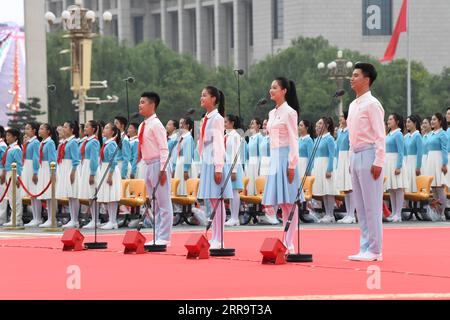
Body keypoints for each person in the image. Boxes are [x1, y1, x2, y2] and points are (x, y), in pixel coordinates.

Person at [347, 62, 385, 262]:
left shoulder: (372, 104)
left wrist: (379, 160)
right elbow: (351, 136)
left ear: (366, 79)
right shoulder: (353, 105)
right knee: (360, 206)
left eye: (355, 75)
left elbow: (380, 135)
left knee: (372, 205)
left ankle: (375, 249)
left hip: (370, 155)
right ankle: (364, 247)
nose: (351, 78)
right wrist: (349, 159)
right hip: (355, 154)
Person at [262, 77, 301, 254]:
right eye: (271, 87)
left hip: (286, 157)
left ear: (284, 91)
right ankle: (285, 239)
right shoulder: (272, 113)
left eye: (275, 87)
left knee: (290, 203)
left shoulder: (290, 112)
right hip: (275, 157)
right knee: (281, 202)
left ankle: (289, 242)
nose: (271, 90)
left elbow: (294, 140)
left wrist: (292, 164)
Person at [197, 86, 233, 249]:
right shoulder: (206, 118)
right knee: (212, 201)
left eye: (205, 95)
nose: (201, 98)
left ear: (213, 99)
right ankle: (215, 236)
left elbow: (219, 144)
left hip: (215, 162)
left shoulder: (217, 118)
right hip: (207, 161)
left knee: (217, 201)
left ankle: (220, 238)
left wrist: (218, 168)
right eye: (201, 95)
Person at [139, 92, 173, 246]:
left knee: (164, 202)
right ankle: (157, 234)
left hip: (159, 164)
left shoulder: (156, 124)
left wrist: (163, 169)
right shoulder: (143, 125)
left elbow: (164, 148)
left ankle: (164, 237)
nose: (140, 105)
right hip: (148, 164)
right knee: (155, 204)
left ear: (152, 105)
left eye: (143, 102)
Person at [311, 117, 337, 223]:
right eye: (318, 124)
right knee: (324, 191)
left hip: (326, 164)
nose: (318, 126)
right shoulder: (318, 139)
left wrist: (329, 169)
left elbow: (332, 154)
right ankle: (327, 213)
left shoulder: (329, 138)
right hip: (319, 165)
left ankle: (331, 214)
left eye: (321, 123)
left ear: (327, 125)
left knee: (329, 190)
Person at [384, 113, 408, 223]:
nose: (388, 121)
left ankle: (398, 213)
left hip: (395, 162)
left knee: (398, 188)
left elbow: (401, 152)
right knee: (391, 189)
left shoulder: (398, 134)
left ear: (397, 121)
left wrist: (398, 166)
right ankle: (393, 212)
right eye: (388, 119)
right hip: (388, 162)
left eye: (390, 119)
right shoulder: (388, 134)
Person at [97, 122, 122, 230]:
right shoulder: (106, 142)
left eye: (107, 128)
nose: (104, 129)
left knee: (112, 196)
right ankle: (111, 220)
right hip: (105, 169)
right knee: (108, 196)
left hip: (110, 170)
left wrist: (110, 175)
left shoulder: (111, 144)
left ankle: (113, 220)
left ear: (112, 132)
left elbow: (114, 161)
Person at [423, 113, 448, 221]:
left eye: (434, 120)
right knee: (433, 187)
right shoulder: (431, 134)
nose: (432, 121)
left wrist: (444, 164)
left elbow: (444, 150)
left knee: (440, 187)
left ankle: (442, 213)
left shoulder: (442, 134)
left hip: (438, 160)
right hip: (431, 160)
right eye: (431, 120)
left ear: (440, 121)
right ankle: (436, 211)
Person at [56, 121, 81, 229]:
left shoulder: (73, 142)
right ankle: (72, 218)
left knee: (73, 195)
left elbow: (76, 159)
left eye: (66, 127)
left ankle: (75, 220)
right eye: (63, 126)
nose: (64, 128)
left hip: (71, 167)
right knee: (70, 196)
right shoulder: (65, 142)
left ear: (71, 130)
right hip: (65, 167)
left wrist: (73, 171)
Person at [80, 120, 102, 229]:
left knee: (93, 194)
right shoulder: (87, 141)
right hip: (86, 167)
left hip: (90, 168)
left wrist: (92, 173)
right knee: (90, 195)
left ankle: (96, 219)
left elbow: (94, 158)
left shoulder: (94, 141)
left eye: (87, 126)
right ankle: (93, 219)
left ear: (93, 129)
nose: (85, 128)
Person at [224, 114, 244, 227]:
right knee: (230, 192)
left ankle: (235, 217)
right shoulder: (226, 135)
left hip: (234, 166)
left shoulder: (235, 136)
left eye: (226, 122)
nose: (224, 124)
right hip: (227, 165)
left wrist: (234, 170)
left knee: (234, 192)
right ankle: (232, 216)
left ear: (232, 123)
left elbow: (236, 154)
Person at [257, 119, 279, 225]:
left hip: (272, 164)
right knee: (266, 190)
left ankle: (273, 215)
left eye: (267, 124)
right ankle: (268, 214)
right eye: (264, 124)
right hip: (264, 165)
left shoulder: (274, 138)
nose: (265, 126)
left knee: (273, 190)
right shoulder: (264, 138)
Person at [36, 124, 58, 228]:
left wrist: (52, 173)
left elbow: (52, 159)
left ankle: (52, 218)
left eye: (42, 129)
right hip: (42, 168)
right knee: (47, 196)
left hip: (48, 169)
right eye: (39, 128)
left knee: (50, 195)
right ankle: (49, 218)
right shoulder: (42, 143)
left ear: (48, 131)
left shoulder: (50, 143)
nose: (39, 130)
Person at [335, 112, 356, 224]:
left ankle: (352, 214)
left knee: (350, 187)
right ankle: (348, 213)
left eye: (342, 117)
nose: (340, 118)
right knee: (345, 189)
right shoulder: (340, 131)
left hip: (348, 157)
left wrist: (350, 162)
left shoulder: (350, 131)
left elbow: (352, 147)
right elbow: (338, 147)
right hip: (341, 158)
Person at [1, 128, 24, 226]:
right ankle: (13, 218)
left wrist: (18, 176)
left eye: (9, 136)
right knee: (10, 197)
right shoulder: (9, 148)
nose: (7, 138)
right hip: (9, 173)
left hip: (14, 173)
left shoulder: (16, 149)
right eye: (6, 135)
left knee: (16, 197)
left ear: (15, 137)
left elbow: (19, 164)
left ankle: (17, 219)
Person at [21, 122, 42, 227]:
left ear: (34, 131)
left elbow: (36, 158)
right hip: (27, 167)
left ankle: (38, 218)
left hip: (32, 168)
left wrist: (35, 172)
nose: (26, 131)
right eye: (25, 129)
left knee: (35, 193)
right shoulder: (28, 142)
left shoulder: (35, 143)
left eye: (28, 129)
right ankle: (34, 217)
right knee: (31, 195)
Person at [404, 114, 423, 193]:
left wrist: (418, 167)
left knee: (414, 185)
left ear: (415, 123)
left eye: (409, 122)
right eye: (406, 122)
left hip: (414, 162)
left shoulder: (417, 136)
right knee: (408, 185)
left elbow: (420, 152)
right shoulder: (406, 136)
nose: (407, 124)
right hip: (407, 162)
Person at [246, 118, 263, 196]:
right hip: (251, 162)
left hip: (257, 162)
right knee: (251, 182)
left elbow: (261, 153)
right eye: (251, 123)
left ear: (258, 126)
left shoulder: (259, 137)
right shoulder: (250, 138)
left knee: (256, 181)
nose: (251, 125)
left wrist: (260, 166)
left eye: (253, 123)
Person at [0, 126, 7, 226]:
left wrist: (3, 173)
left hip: (1, 170)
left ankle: (2, 218)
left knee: (2, 195)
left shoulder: (2, 145)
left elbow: (5, 161)